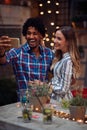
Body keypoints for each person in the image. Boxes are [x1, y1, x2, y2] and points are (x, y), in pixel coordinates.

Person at [0, 17, 54, 100]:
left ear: (41, 36)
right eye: (29, 33)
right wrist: (1, 52)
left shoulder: (49, 54)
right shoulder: (17, 52)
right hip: (25, 104)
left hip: (44, 102)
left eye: (35, 33)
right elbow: (3, 61)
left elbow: (57, 73)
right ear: (25, 35)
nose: (31, 37)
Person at [49, 26, 81, 101]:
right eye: (55, 37)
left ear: (68, 42)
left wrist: (47, 86)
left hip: (62, 102)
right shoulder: (61, 56)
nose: (55, 41)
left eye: (59, 39)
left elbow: (63, 89)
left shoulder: (68, 60)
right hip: (55, 100)